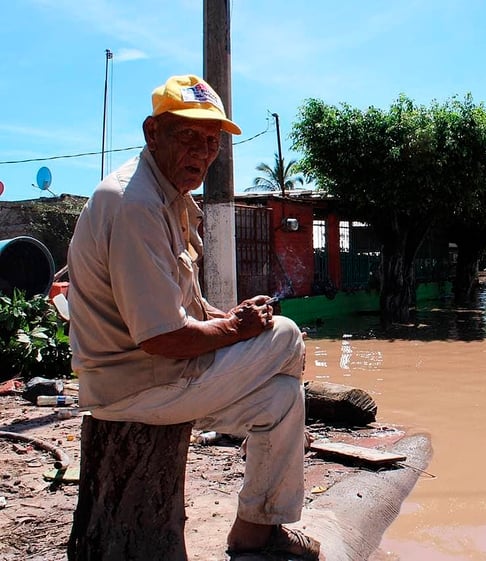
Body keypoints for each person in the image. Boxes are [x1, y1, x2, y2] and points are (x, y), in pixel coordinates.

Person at [67, 74, 320, 560]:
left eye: (211, 142)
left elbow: (186, 307)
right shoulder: (135, 203)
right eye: (188, 136)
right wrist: (237, 329)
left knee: (284, 398)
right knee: (286, 336)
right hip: (135, 387)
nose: (203, 152)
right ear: (152, 132)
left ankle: (254, 533)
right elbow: (161, 336)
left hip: (162, 381)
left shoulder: (169, 199)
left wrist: (230, 319)